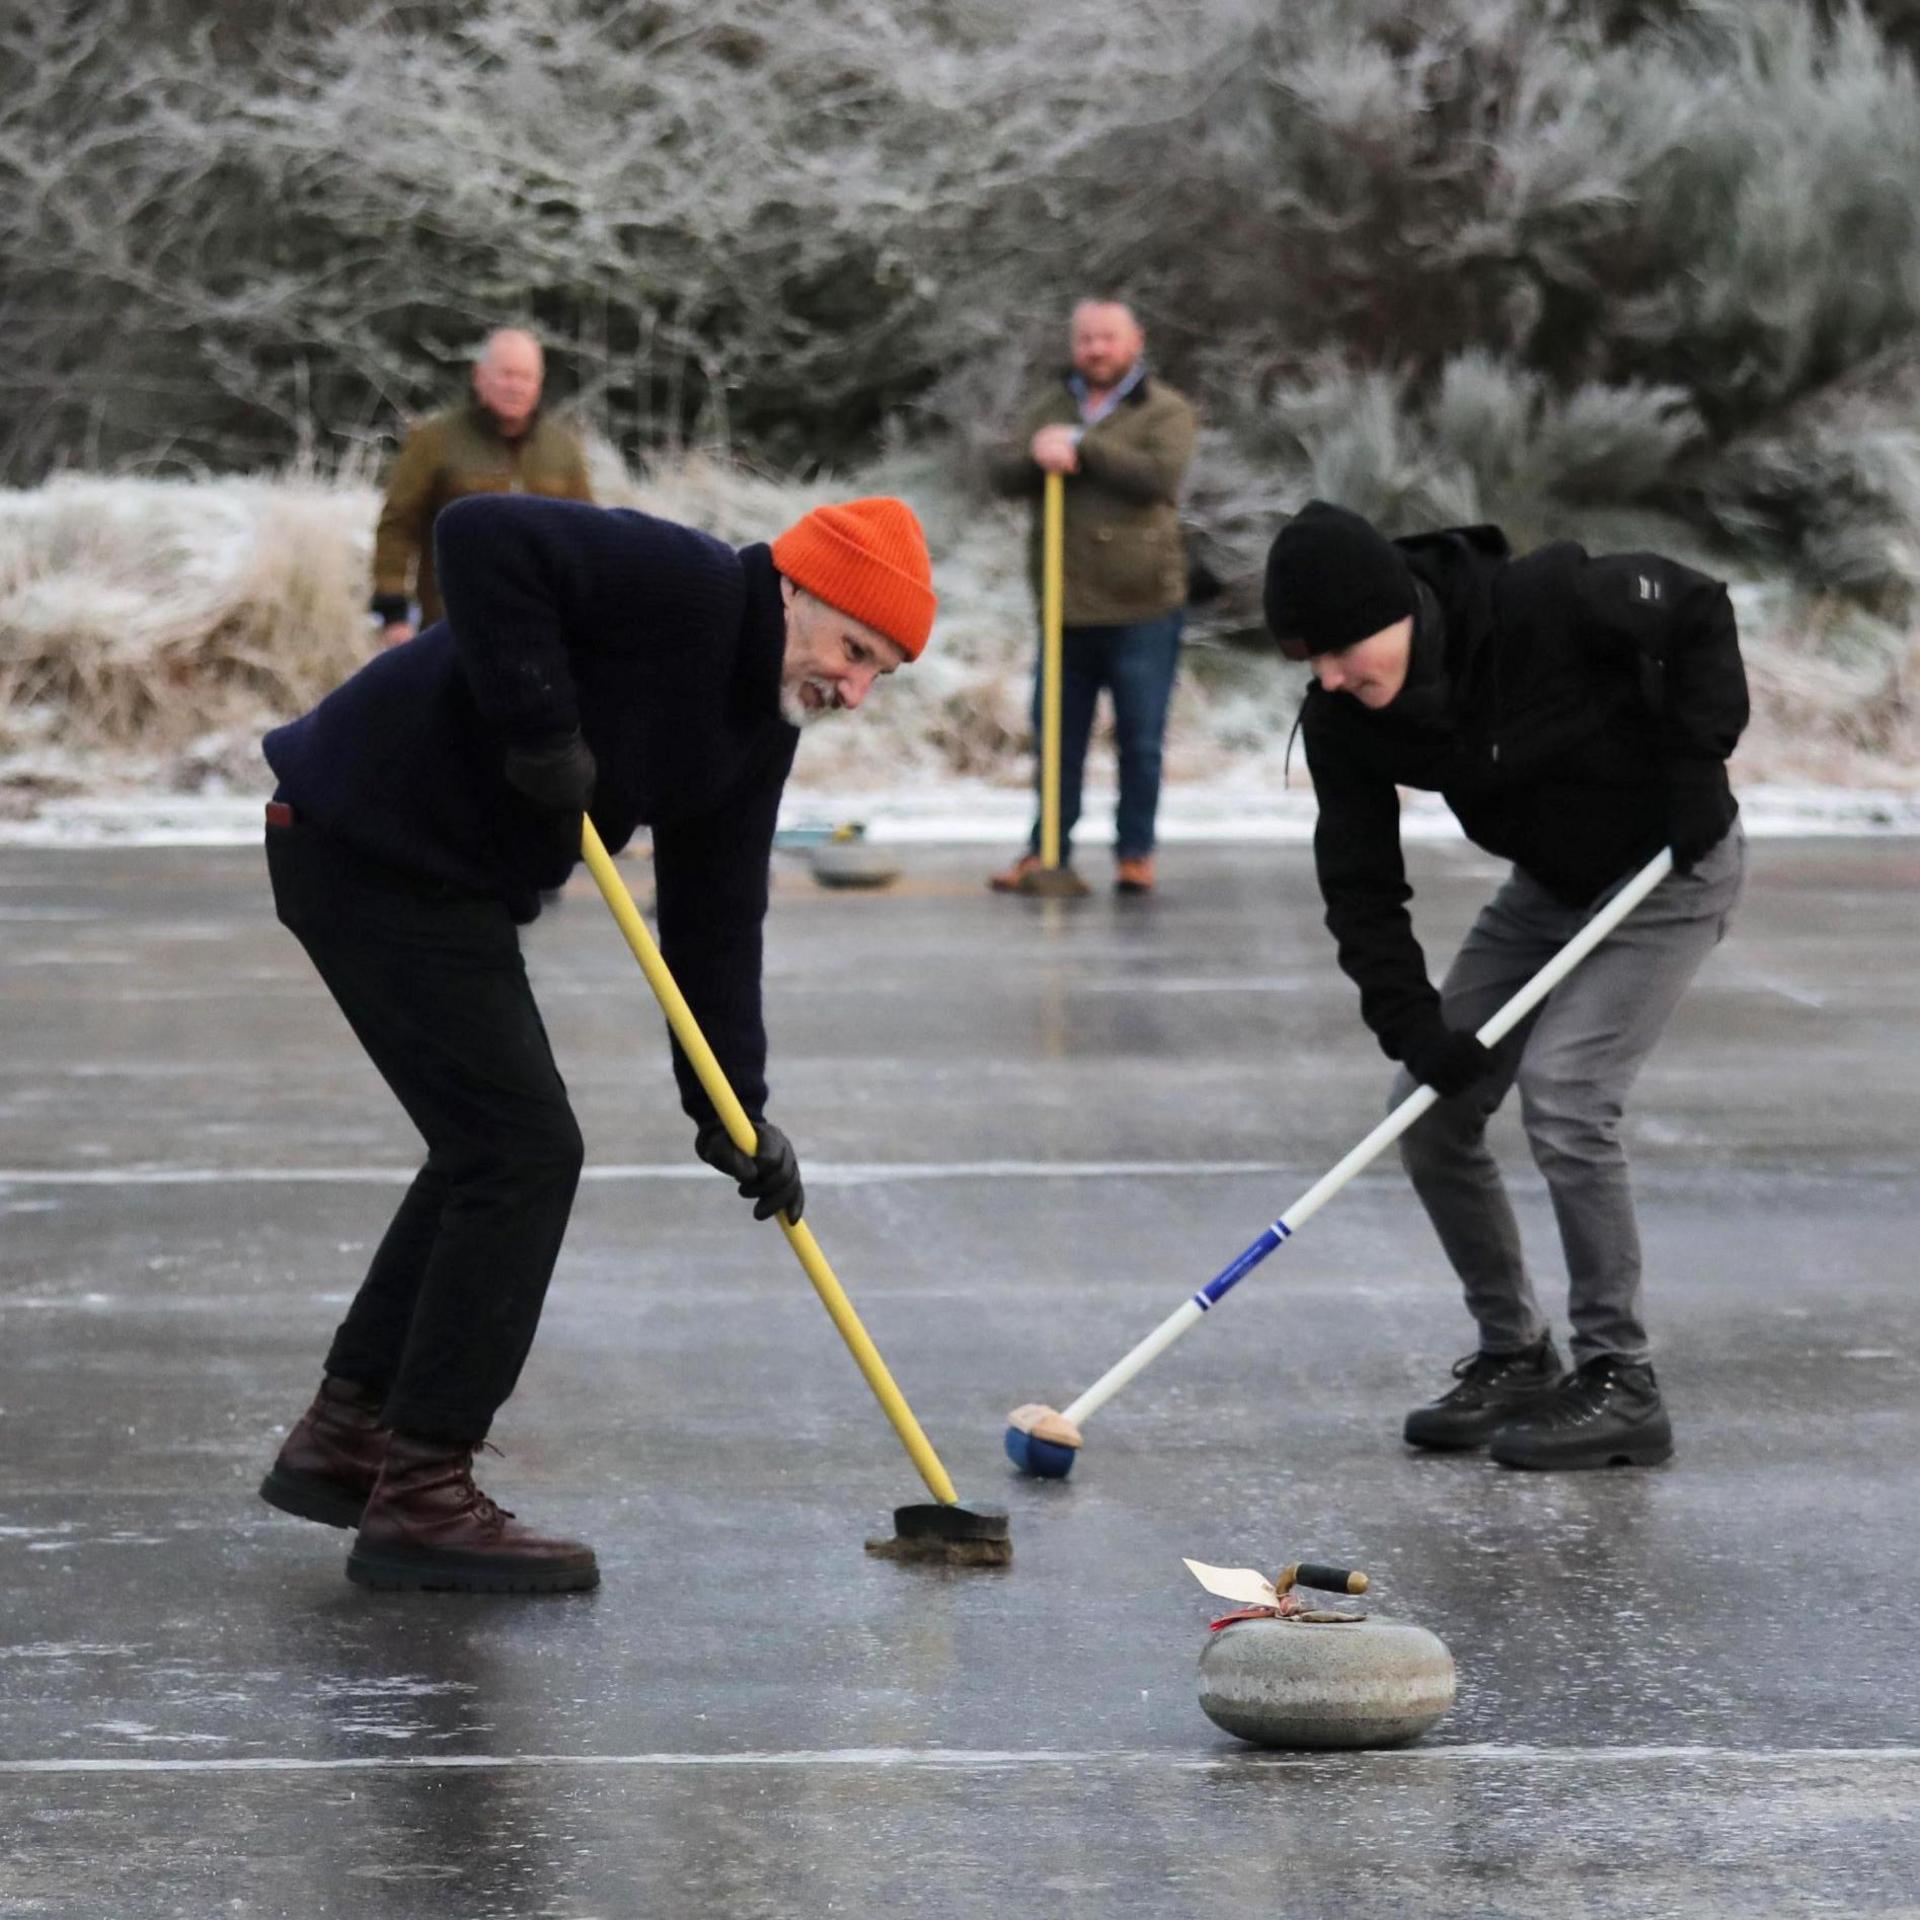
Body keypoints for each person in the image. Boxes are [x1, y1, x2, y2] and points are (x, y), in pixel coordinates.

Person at [258, 492, 936, 1590]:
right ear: (795, 593)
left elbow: (718, 917)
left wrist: (733, 1107)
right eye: (854, 650)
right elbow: (479, 535)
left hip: (445, 880)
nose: (853, 690)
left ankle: (352, 1439)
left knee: (492, 1147)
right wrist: (540, 724)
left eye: (880, 675)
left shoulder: (759, 724)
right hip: (359, 837)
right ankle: (423, 1490)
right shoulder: (690, 585)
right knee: (522, 1152)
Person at [1265, 501, 1748, 1470]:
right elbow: (1360, 886)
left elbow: (1695, 608)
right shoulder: (1346, 718)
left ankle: (1621, 1379)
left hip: (1669, 869)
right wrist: (1414, 1027)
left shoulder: (1542, 602)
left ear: (1396, 608)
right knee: (1429, 1111)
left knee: (1567, 1092)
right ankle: (1515, 1353)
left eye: (1341, 649)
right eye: (1310, 659)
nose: (1329, 677)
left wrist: (1698, 765)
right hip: (1550, 889)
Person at [986, 300, 1197, 896]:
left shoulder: (1164, 410)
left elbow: (1159, 478)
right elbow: (1003, 475)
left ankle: (1135, 854)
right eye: (1085, 339)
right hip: (1064, 607)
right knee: (1056, 737)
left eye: (1107, 338)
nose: (1096, 350)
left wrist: (1086, 446)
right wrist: (1038, 453)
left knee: (1140, 736)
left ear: (1136, 341)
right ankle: (1047, 849)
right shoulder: (1048, 407)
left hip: (1143, 607)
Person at [369, 328, 593, 646]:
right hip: (450, 628)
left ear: (539, 383)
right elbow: (398, 525)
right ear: (479, 376)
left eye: (526, 377)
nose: (516, 386)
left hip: (543, 631)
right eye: (506, 374)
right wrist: (393, 610)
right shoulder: (434, 441)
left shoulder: (563, 450)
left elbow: (585, 538)